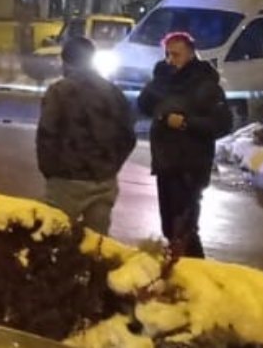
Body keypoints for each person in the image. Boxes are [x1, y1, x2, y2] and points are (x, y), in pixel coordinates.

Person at [138, 32, 232, 259]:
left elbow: (222, 123)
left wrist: (185, 123)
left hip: (190, 167)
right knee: (169, 226)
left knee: (184, 230)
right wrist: (159, 80)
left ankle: (196, 272)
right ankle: (179, 270)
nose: (171, 60)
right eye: (168, 54)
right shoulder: (165, 79)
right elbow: (144, 104)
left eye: (176, 55)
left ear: (190, 54)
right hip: (166, 164)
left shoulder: (205, 85)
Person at [36, 37, 136, 234]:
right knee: (97, 242)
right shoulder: (113, 92)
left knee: (53, 236)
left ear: (65, 61)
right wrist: (111, 166)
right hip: (103, 180)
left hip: (66, 180)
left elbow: (47, 135)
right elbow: (128, 136)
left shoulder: (59, 91)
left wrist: (51, 171)